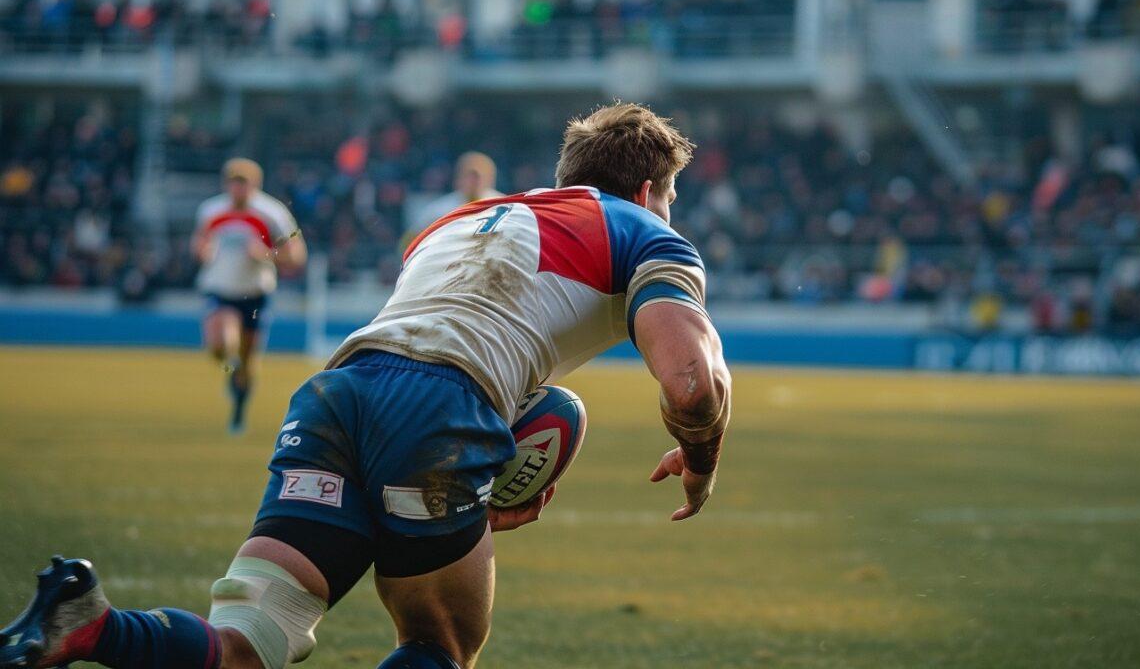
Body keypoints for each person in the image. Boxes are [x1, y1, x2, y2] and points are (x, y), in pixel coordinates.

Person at [0, 102, 732, 669]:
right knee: (439, 644)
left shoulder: (457, 219)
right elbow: (693, 382)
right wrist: (699, 462)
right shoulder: (645, 230)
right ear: (647, 191)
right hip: (442, 407)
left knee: (250, 639)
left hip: (338, 395)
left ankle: (91, 623)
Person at [192, 158, 307, 433]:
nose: (237, 190)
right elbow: (199, 241)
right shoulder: (210, 210)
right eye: (233, 183)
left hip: (255, 293)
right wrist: (202, 252)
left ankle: (238, 410)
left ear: (255, 185)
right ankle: (229, 366)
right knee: (220, 343)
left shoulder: (273, 213)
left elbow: (296, 255)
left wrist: (266, 254)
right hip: (219, 289)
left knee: (247, 360)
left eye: (243, 184)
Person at [404, 151, 501, 241]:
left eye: (480, 176)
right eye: (470, 176)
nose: (475, 181)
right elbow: (410, 241)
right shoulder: (437, 211)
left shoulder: (506, 208)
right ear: (458, 178)